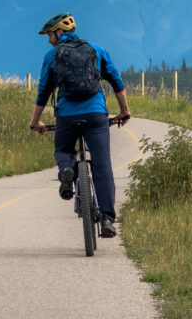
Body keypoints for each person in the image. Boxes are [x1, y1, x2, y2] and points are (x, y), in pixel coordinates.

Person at [29, 12, 130, 238]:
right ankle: (106, 219)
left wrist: (35, 122)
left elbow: (43, 93)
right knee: (102, 165)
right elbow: (117, 82)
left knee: (63, 150)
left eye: (49, 35)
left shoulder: (52, 55)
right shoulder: (97, 49)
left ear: (59, 32)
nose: (48, 40)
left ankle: (67, 169)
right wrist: (124, 110)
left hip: (67, 116)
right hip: (96, 115)